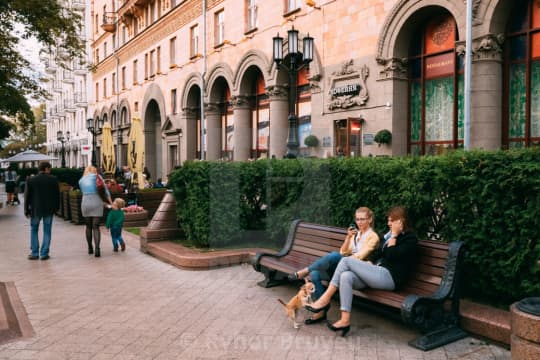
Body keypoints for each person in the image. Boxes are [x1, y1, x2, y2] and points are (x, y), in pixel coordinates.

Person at [305, 206, 418, 337]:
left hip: (390, 278)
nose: (388, 223)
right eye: (388, 220)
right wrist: (369, 262)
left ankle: (325, 298)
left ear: (401, 221)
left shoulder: (410, 239)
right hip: (377, 273)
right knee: (346, 276)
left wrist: (394, 236)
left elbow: (392, 255)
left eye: (391, 221)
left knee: (345, 261)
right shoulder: (387, 237)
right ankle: (345, 320)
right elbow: (378, 254)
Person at [288, 207, 380, 324]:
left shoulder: (373, 237)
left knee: (334, 256)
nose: (359, 222)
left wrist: (345, 260)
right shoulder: (357, 234)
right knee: (315, 274)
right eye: (357, 219)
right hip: (344, 267)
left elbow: (360, 256)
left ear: (370, 219)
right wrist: (348, 237)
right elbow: (343, 251)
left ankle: (304, 271)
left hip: (357, 273)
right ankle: (321, 311)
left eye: (362, 219)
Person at [23, 162, 60, 260]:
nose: (50, 170)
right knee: (47, 230)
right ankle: (44, 253)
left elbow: (27, 197)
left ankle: (34, 253)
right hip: (49, 210)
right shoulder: (53, 179)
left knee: (34, 230)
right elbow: (57, 196)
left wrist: (26, 209)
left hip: (35, 210)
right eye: (50, 168)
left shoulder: (31, 180)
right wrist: (56, 208)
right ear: (46, 169)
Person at [79, 166, 112, 257]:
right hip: (97, 201)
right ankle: (97, 248)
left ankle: (90, 247)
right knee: (96, 227)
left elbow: (82, 193)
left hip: (85, 202)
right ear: (94, 171)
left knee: (88, 227)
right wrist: (111, 203)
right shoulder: (98, 177)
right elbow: (106, 191)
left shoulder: (81, 180)